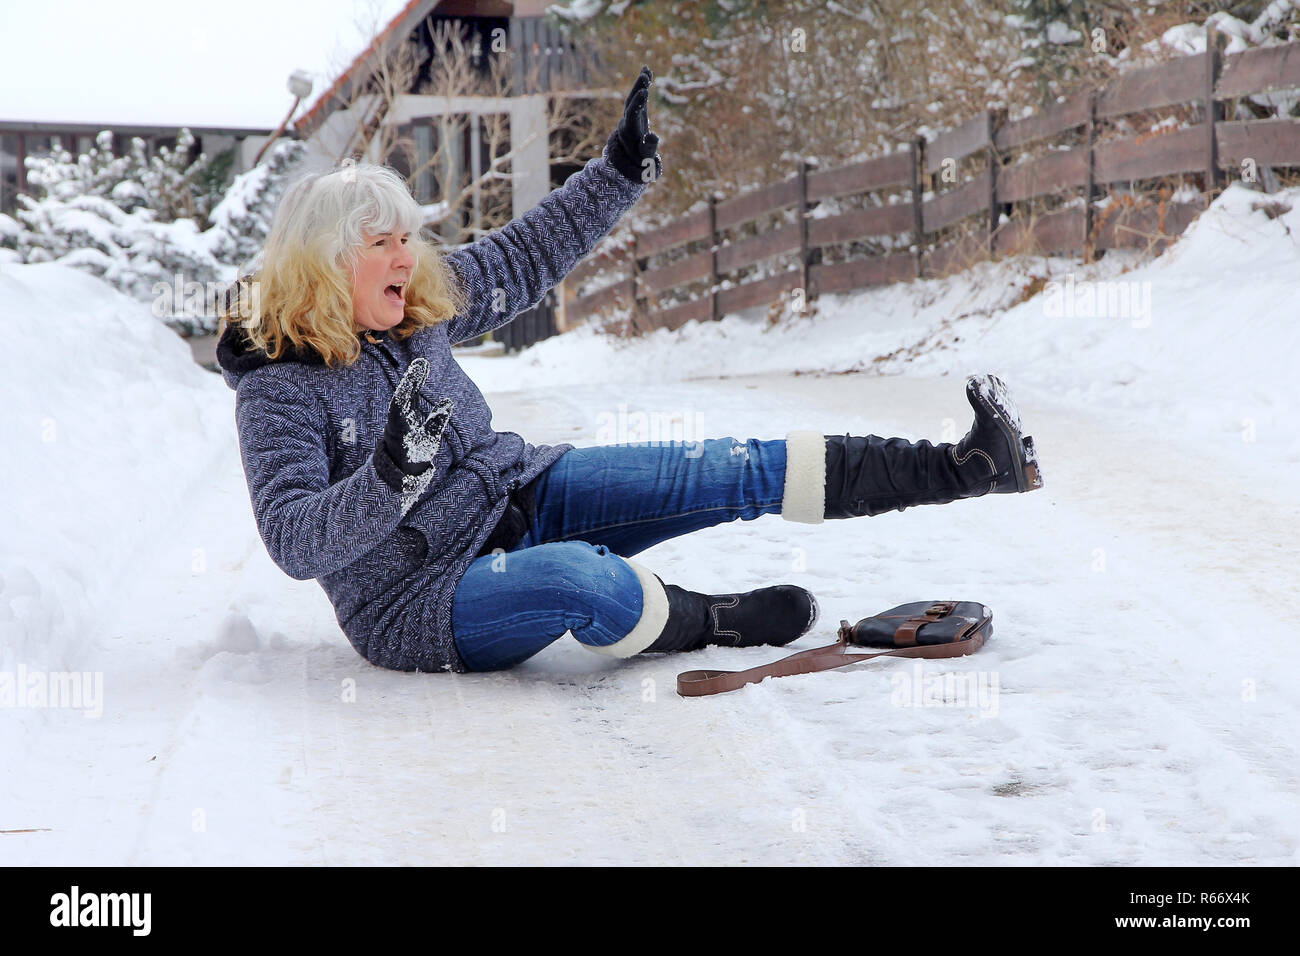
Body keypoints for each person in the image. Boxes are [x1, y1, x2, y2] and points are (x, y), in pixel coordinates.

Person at [216, 66, 1044, 675]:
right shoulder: (278, 386)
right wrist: (391, 477)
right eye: (383, 243)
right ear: (328, 264)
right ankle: (712, 620)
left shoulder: (415, 305)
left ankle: (964, 467)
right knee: (582, 581)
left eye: (407, 236)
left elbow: (527, 252)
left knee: (725, 466)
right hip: (424, 598)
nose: (408, 256)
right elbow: (294, 541)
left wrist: (614, 175)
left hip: (523, 492)